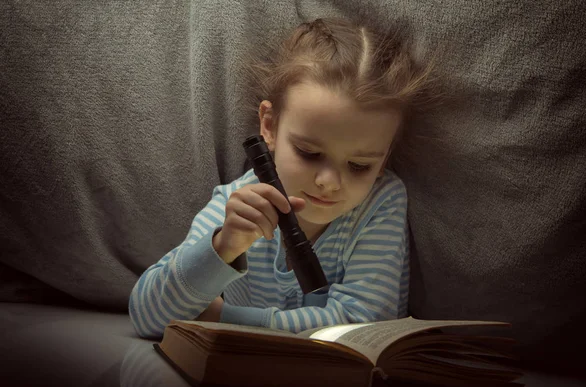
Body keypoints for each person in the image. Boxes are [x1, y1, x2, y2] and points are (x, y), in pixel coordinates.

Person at [129, 18, 431, 338]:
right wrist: (223, 246)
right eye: (308, 153)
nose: (328, 182)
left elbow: (364, 323)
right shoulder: (239, 205)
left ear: (384, 158)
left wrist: (225, 318)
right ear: (269, 127)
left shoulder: (381, 203)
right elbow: (147, 317)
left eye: (358, 165)